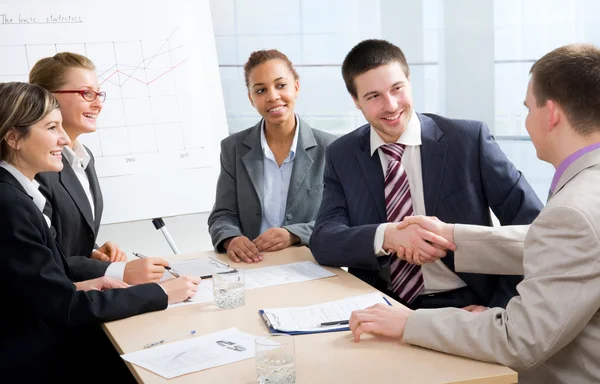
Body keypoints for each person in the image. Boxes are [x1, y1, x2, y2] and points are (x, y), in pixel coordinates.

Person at [349, 43, 600, 384]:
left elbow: (520, 339)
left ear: (551, 114)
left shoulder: (573, 210)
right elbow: (559, 246)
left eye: (528, 108)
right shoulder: (587, 192)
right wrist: (452, 236)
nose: (526, 122)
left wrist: (407, 323)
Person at [309, 39, 543, 310]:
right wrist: (387, 236)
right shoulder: (342, 153)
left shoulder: (468, 140)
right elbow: (324, 240)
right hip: (383, 304)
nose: (391, 105)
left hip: (466, 303)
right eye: (373, 96)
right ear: (356, 101)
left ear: (409, 81)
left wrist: (498, 307)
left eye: (397, 88)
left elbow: (535, 230)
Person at [0, 82, 201, 382]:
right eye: (52, 127)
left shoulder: (16, 193)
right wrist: (160, 292)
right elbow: (63, 309)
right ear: (14, 137)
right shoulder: (9, 203)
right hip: (31, 359)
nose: (65, 139)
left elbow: (30, 285)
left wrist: (87, 284)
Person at [30, 52, 169, 284]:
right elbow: (46, 257)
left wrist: (92, 252)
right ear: (48, 97)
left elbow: (65, 237)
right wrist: (121, 271)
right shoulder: (34, 167)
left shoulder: (84, 157)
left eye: (99, 94)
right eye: (87, 93)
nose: (98, 103)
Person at [208, 49, 336, 264]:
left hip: (309, 265)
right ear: (251, 98)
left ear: (296, 87)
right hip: (251, 265)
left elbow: (338, 220)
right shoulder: (234, 148)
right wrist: (232, 238)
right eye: (260, 90)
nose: (272, 96)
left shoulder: (330, 148)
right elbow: (222, 214)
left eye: (280, 85)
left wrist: (294, 234)